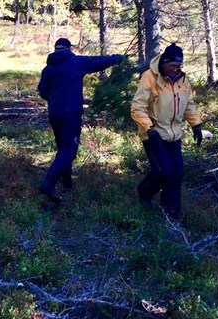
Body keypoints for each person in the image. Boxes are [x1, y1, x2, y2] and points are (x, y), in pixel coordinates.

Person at [37, 38, 125, 203]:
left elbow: (42, 91)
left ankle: (68, 186)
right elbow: (97, 61)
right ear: (69, 48)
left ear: (55, 50)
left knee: (63, 149)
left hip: (54, 113)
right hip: (71, 113)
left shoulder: (48, 69)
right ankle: (48, 184)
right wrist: (116, 59)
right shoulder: (75, 62)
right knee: (69, 151)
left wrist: (55, 97)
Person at [130, 43, 203, 222]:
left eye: (179, 66)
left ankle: (172, 216)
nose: (175, 69)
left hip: (174, 135)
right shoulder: (150, 77)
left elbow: (189, 105)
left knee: (176, 174)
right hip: (154, 134)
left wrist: (196, 124)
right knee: (164, 172)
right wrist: (149, 128)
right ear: (164, 63)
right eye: (172, 66)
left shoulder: (183, 80)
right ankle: (144, 192)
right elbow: (137, 108)